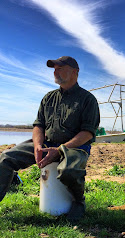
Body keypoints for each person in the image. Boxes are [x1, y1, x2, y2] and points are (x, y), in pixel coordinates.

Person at [0, 56, 100, 221]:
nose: (55, 71)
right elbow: (39, 125)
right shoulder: (48, 97)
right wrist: (38, 146)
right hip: (46, 143)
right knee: (6, 158)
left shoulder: (88, 100)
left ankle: (79, 202)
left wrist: (61, 150)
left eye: (60, 68)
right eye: (54, 68)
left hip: (75, 147)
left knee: (69, 170)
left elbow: (88, 133)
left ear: (75, 71)